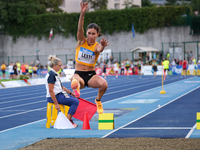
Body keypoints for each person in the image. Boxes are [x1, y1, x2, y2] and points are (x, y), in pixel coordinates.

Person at [70, 2, 109, 114]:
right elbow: (79, 29)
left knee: (104, 84)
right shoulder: (81, 41)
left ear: (97, 34)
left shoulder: (97, 46)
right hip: (79, 74)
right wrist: (82, 14)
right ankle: (76, 89)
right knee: (75, 80)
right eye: (89, 33)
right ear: (86, 33)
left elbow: (99, 50)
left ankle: (98, 100)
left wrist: (103, 47)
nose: (91, 36)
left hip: (91, 76)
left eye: (93, 34)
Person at [45, 55, 79, 127]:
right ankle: (67, 122)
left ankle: (68, 120)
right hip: (54, 96)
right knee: (75, 102)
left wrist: (70, 93)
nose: (61, 67)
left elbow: (61, 87)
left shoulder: (55, 74)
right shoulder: (51, 75)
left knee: (75, 99)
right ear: (55, 65)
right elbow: (51, 91)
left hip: (59, 95)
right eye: (60, 65)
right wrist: (56, 104)